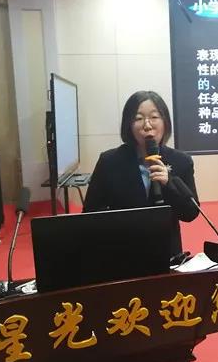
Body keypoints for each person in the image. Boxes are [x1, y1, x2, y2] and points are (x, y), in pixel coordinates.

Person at [83, 90, 199, 256]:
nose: (147, 125)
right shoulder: (109, 161)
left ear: (165, 122)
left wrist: (169, 184)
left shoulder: (181, 161)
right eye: (138, 118)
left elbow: (190, 213)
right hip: (123, 251)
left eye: (154, 117)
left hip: (167, 252)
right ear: (129, 125)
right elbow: (90, 213)